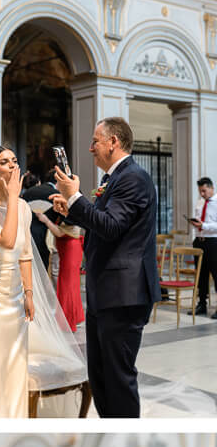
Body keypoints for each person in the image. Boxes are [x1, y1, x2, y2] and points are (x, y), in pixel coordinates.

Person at [0, 146, 85, 418]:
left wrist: (28, 294)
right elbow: (6, 242)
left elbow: (24, 253)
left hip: (14, 294)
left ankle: (15, 419)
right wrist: (14, 197)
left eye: (15, 160)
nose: (12, 165)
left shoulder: (23, 208)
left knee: (16, 362)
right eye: (4, 162)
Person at [51, 116, 160, 418]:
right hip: (106, 292)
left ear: (113, 142)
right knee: (99, 376)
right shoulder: (111, 179)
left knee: (118, 378)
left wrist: (74, 196)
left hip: (124, 293)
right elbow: (102, 225)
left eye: (95, 141)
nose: (90, 148)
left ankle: (124, 441)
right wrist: (72, 210)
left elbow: (111, 227)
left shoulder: (133, 178)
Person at [36, 209, 85, 332]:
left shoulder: (72, 213)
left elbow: (59, 233)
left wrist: (46, 220)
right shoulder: (65, 213)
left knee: (68, 286)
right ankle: (72, 318)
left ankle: (68, 321)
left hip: (70, 250)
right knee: (69, 286)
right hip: (67, 250)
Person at [190, 177, 217, 317]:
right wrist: (196, 223)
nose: (202, 194)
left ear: (211, 188)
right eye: (200, 191)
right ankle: (202, 304)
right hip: (199, 241)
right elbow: (199, 219)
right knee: (201, 274)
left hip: (213, 242)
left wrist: (204, 226)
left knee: (216, 274)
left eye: (204, 191)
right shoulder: (200, 202)